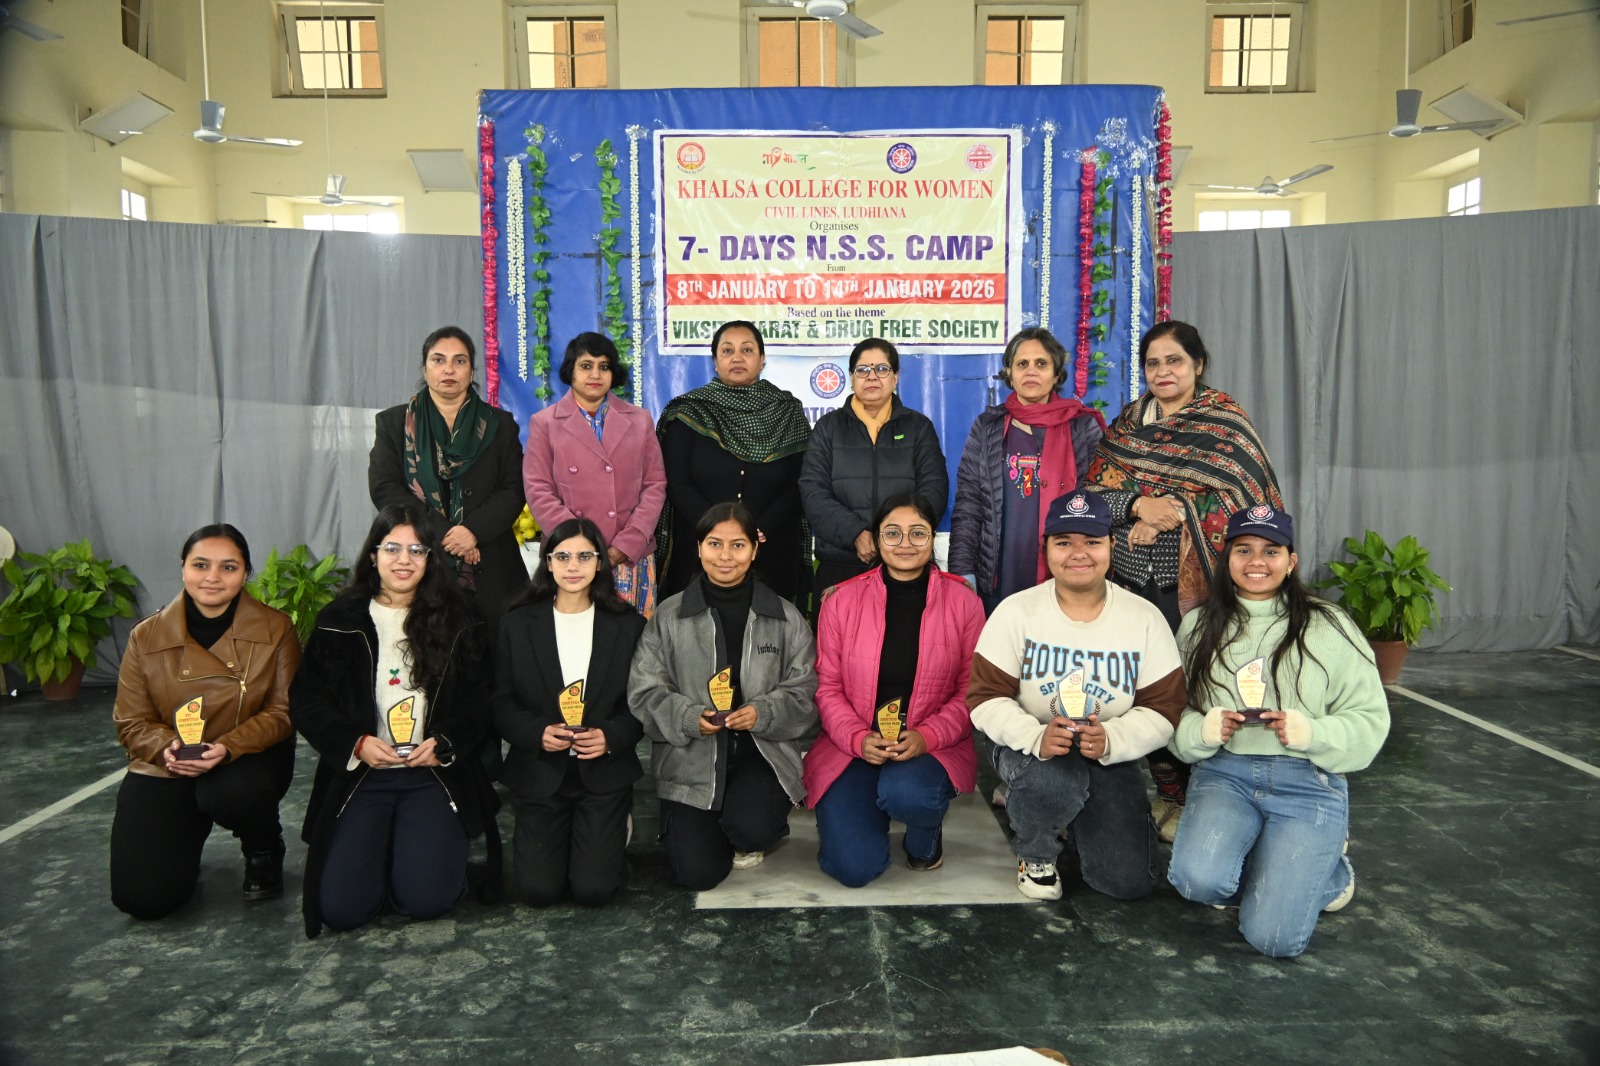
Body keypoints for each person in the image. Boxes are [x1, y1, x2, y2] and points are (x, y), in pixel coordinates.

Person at [1084, 320, 1284, 841]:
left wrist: (1165, 513)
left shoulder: (1225, 424)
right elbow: (1094, 495)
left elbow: (1247, 502)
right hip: (1131, 587)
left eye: (1174, 360)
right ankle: (1168, 794)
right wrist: (1137, 506)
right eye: (1152, 363)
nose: (1163, 371)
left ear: (1198, 364)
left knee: (1199, 687)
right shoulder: (1129, 424)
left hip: (1198, 593)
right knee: (1145, 689)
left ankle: (1208, 796)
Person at [1167, 504, 1389, 957]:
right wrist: (1203, 730)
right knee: (1197, 881)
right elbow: (1173, 715)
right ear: (1227, 559)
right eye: (1243, 549)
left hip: (1307, 780)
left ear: (1291, 561)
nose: (1257, 561)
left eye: (1271, 551)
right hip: (1225, 775)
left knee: (1274, 940)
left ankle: (1331, 874)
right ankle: (1282, 863)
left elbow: (1370, 718)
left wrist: (1313, 733)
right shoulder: (1197, 626)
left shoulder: (1330, 625)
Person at [290, 503, 500, 937]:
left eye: (417, 550)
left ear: (430, 558)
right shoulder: (340, 618)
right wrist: (355, 743)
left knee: (427, 901)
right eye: (392, 548)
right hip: (363, 772)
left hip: (432, 772)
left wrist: (446, 742)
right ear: (373, 555)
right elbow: (308, 700)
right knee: (343, 911)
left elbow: (481, 698)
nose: (404, 560)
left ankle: (413, 858)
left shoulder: (462, 617)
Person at [967, 489, 1186, 902]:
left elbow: (1164, 708)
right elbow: (984, 698)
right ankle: (1036, 852)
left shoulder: (1143, 617)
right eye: (1064, 542)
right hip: (1031, 748)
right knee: (1052, 779)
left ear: (1112, 546)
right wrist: (1035, 736)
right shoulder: (1016, 611)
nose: (1078, 554)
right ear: (1046, 548)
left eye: (1092, 541)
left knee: (1127, 882)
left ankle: (1072, 813)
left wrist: (1112, 739)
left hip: (1105, 751)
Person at [110, 525, 299, 919]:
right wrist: (167, 749)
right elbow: (131, 720)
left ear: (245, 573)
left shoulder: (276, 628)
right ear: (183, 568)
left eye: (228, 567)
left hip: (246, 757)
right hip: (168, 762)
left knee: (232, 791)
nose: (213, 577)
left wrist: (228, 746)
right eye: (200, 565)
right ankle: (179, 844)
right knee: (144, 900)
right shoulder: (145, 636)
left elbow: (283, 712)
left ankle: (263, 846)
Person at [629, 502, 818, 891]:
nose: (726, 556)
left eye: (738, 545)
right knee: (696, 874)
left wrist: (764, 712)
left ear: (755, 549)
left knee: (752, 828)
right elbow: (644, 691)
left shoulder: (785, 617)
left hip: (760, 752)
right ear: (698, 548)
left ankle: (741, 826)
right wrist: (686, 717)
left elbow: (805, 693)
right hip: (690, 756)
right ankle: (702, 823)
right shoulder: (669, 616)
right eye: (715, 544)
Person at [803, 493, 984, 887]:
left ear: (933, 538)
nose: (905, 544)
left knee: (908, 794)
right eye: (893, 533)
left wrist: (926, 736)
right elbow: (827, 687)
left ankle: (924, 836)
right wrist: (857, 738)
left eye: (918, 533)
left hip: (930, 745)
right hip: (855, 743)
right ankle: (870, 806)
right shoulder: (841, 601)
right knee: (853, 869)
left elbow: (972, 690)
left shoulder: (965, 603)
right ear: (876, 539)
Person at [493, 518, 647, 907]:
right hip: (540, 771)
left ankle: (617, 823)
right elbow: (500, 700)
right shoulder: (516, 624)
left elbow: (642, 702)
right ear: (547, 562)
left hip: (603, 772)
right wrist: (536, 733)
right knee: (537, 892)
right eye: (562, 556)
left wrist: (611, 736)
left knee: (594, 891)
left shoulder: (628, 625)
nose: (573, 566)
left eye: (584, 556)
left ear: (600, 563)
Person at [369, 325, 526, 632]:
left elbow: (514, 488)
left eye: (459, 361)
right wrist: (449, 536)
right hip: (420, 559)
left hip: (492, 564)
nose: (449, 369)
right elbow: (385, 488)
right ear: (425, 368)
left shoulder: (500, 424)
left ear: (472, 370)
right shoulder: (394, 423)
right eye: (438, 360)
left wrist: (474, 531)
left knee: (495, 652)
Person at [950, 327, 1106, 614]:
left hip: (1068, 570)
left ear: (1056, 375)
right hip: (1000, 573)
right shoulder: (988, 428)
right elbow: (969, 504)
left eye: (1041, 363)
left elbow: (1101, 500)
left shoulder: (1082, 426)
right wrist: (962, 569)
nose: (1031, 371)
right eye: (1022, 364)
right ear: (1010, 374)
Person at [656, 321, 810, 601]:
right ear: (715, 362)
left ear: (762, 359)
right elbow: (677, 483)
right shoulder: (688, 412)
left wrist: (757, 530)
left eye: (747, 350)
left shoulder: (788, 412)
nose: (737, 358)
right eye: (727, 351)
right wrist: (717, 532)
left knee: (770, 625)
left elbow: (800, 483)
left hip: (770, 549)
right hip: (701, 550)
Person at [524, 332, 666, 614]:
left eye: (604, 366)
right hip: (571, 557)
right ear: (571, 370)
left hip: (629, 556)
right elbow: (538, 490)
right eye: (586, 366)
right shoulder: (545, 423)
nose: (595, 375)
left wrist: (628, 543)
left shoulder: (640, 420)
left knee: (633, 637)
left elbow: (655, 485)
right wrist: (580, 546)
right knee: (574, 636)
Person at [799, 339, 948, 598]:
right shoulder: (828, 428)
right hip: (841, 563)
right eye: (863, 369)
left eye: (881, 369)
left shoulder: (918, 427)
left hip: (905, 562)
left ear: (895, 377)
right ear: (852, 377)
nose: (872, 377)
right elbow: (812, 490)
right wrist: (855, 533)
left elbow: (934, 488)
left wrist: (895, 536)